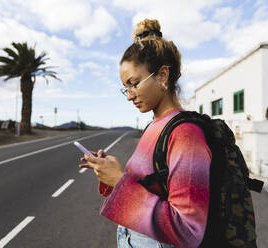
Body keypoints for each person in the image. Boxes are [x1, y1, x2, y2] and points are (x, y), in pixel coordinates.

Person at [79, 19, 212, 248]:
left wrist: (119, 180)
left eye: (134, 84)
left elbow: (189, 232)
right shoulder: (154, 126)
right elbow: (150, 186)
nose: (129, 96)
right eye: (125, 88)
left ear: (162, 75)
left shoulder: (185, 135)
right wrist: (109, 173)